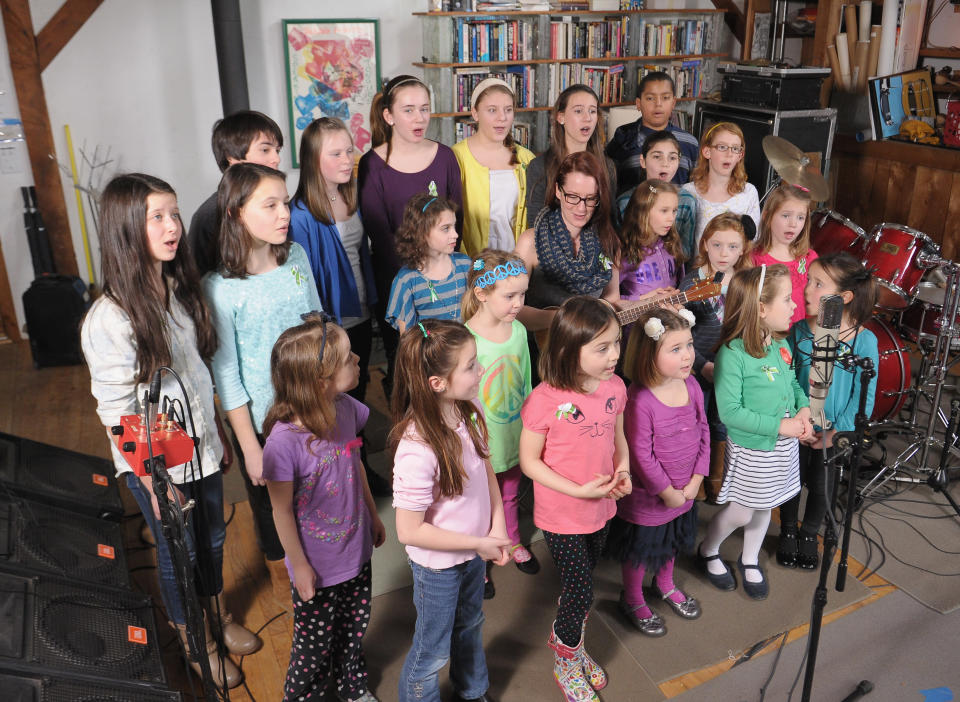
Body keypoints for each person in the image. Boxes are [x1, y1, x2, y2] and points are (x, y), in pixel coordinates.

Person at [81, 173, 260, 689]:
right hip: (156, 460)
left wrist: (219, 433)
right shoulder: (109, 318)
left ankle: (217, 615)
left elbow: (197, 374)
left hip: (198, 442)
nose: (172, 226)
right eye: (155, 217)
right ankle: (194, 640)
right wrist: (155, 484)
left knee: (214, 536)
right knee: (177, 549)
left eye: (174, 213)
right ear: (124, 231)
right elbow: (117, 412)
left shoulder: (180, 288)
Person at [205, 163, 323, 569]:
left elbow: (318, 324)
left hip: (315, 405)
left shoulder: (297, 257)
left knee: (323, 507)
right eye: (269, 205)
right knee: (280, 524)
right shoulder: (220, 288)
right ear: (237, 213)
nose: (284, 214)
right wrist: (251, 448)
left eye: (285, 204)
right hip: (265, 424)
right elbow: (226, 373)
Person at [262, 316, 385, 702]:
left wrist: (374, 514)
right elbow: (281, 512)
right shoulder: (283, 445)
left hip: (355, 548)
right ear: (320, 381)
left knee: (353, 628)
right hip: (317, 564)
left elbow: (356, 463)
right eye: (348, 358)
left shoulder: (346, 408)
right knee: (313, 647)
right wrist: (299, 565)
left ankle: (352, 686)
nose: (358, 359)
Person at [391, 320, 510, 702]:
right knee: (432, 652)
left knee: (471, 625)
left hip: (474, 553)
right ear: (437, 383)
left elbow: (485, 468)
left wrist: (497, 526)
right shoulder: (416, 448)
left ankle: (472, 691)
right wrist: (479, 541)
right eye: (472, 365)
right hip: (437, 569)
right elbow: (409, 531)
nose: (482, 371)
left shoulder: (469, 408)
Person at [519, 296, 631, 702]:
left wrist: (624, 470)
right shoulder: (544, 400)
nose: (614, 355)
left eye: (617, 343)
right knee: (582, 589)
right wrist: (577, 490)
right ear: (568, 349)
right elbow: (530, 463)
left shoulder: (615, 387)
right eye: (602, 348)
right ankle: (566, 658)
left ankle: (575, 646)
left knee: (578, 586)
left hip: (602, 506)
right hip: (560, 513)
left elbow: (618, 438)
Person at [698, 265, 813, 600]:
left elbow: (792, 384)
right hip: (754, 448)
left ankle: (749, 558)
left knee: (767, 506)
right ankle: (708, 548)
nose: (795, 306)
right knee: (743, 509)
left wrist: (803, 407)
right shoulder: (732, 355)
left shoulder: (779, 344)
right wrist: (781, 426)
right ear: (761, 309)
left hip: (783, 445)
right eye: (788, 300)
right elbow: (731, 413)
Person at [358, 74, 463, 398]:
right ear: (388, 116)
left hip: (449, 281)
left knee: (453, 362)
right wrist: (420, 277)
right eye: (408, 110)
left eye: (424, 108)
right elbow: (379, 233)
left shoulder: (445, 157)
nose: (419, 118)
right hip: (400, 282)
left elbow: (455, 220)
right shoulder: (372, 164)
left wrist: (447, 273)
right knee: (408, 365)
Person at [608, 308, 707, 637]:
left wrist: (697, 480)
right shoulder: (640, 399)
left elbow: (704, 431)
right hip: (652, 499)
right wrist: (666, 492)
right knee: (641, 551)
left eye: (689, 345)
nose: (687, 356)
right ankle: (633, 598)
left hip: (686, 491)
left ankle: (664, 583)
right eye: (675, 349)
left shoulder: (691, 385)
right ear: (650, 353)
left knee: (674, 541)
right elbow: (639, 454)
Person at [780, 253, 879, 569]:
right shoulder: (799, 331)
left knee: (823, 487)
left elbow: (864, 395)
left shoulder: (865, 341)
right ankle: (787, 529)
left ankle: (809, 533)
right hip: (799, 425)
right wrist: (797, 418)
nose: (807, 290)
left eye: (818, 284)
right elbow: (786, 381)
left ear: (845, 297)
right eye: (808, 280)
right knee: (790, 482)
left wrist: (838, 433)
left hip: (834, 431)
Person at [463, 249, 538, 597]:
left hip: (513, 433)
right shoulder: (467, 341)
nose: (518, 303)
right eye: (510, 296)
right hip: (482, 439)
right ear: (482, 293)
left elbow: (526, 383)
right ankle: (480, 560)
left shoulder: (519, 331)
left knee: (510, 491)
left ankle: (510, 541)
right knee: (479, 502)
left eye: (522, 294)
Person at [289, 117, 377, 402]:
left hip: (362, 313)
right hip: (332, 323)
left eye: (349, 151)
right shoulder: (300, 215)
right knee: (334, 401)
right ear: (313, 159)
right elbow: (304, 283)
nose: (347, 160)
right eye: (336, 154)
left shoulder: (352, 197)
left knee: (360, 389)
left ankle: (359, 444)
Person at [678, 213, 752, 501]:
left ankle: (717, 476)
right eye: (717, 245)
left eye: (733, 247)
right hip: (697, 364)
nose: (725, 253)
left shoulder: (744, 283)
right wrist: (702, 365)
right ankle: (693, 477)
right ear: (705, 244)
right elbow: (682, 334)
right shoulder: (692, 282)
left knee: (722, 421)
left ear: (743, 249)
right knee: (696, 420)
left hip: (729, 366)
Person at [515, 151, 622, 337]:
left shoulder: (609, 241)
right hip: (540, 350)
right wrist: (567, 321)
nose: (581, 208)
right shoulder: (529, 242)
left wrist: (652, 302)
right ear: (558, 190)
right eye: (573, 196)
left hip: (589, 350)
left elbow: (611, 301)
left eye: (590, 199)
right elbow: (512, 309)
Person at [188, 110, 283, 275]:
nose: (276, 159)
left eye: (277, 150)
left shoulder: (281, 203)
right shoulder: (210, 215)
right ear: (231, 156)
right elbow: (197, 280)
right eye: (265, 150)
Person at [452, 78, 536, 257]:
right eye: (492, 110)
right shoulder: (455, 158)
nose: (502, 118)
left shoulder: (526, 159)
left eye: (508, 110)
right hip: (471, 266)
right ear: (475, 113)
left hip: (517, 265)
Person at [525, 84, 617, 223]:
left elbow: (611, 221)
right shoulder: (539, 167)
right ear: (560, 117)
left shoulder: (607, 166)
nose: (587, 118)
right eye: (578, 111)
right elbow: (535, 223)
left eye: (592, 111)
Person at [385, 193, 472, 334]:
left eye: (454, 226)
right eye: (446, 228)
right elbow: (408, 341)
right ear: (421, 232)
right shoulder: (406, 281)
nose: (455, 234)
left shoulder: (465, 264)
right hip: (430, 355)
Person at [605, 71, 699, 195]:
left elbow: (696, 184)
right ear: (638, 104)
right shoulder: (624, 137)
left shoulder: (689, 143)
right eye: (650, 98)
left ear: (673, 103)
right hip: (633, 210)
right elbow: (609, 183)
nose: (658, 104)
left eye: (665, 98)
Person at [678, 122, 760, 256]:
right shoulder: (688, 192)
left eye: (735, 148)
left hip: (734, 272)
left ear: (740, 155)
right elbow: (680, 243)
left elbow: (752, 241)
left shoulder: (749, 192)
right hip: (697, 273)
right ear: (707, 151)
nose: (729, 154)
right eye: (722, 147)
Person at [751, 184, 817, 325]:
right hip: (767, 339)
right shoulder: (754, 258)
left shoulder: (810, 258)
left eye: (800, 218)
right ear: (767, 217)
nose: (793, 224)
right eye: (786, 215)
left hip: (801, 339)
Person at [617, 180, 686, 305]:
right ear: (643, 211)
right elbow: (610, 300)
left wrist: (675, 292)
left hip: (670, 319)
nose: (671, 218)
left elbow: (681, 284)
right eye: (664, 211)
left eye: (674, 211)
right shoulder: (625, 251)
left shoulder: (672, 243)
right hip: (637, 321)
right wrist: (644, 299)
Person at [615, 130, 681, 217]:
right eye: (657, 157)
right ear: (643, 161)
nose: (665, 164)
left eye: (672, 158)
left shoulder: (686, 200)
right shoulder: (626, 202)